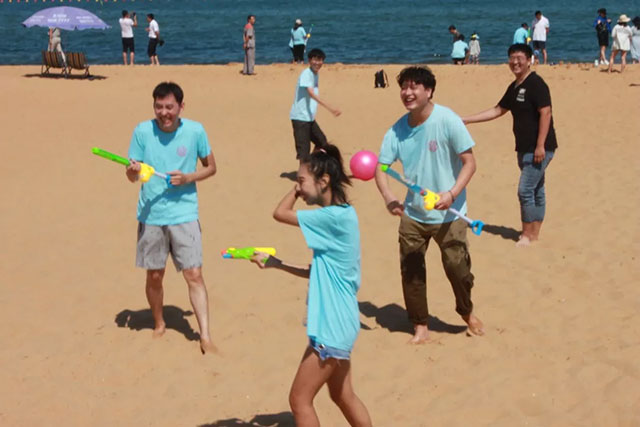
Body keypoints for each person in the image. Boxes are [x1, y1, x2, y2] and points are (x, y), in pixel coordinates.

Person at [250, 144, 372, 427]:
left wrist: (295, 191)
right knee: (342, 395)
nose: (299, 187)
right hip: (341, 323)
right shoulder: (344, 215)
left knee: (299, 400)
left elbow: (280, 213)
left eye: (302, 180)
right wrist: (277, 263)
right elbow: (318, 271)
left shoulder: (332, 218)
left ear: (324, 181)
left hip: (332, 327)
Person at [374, 66, 485, 344]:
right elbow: (381, 167)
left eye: (414, 87)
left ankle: (466, 311)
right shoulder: (397, 130)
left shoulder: (448, 120)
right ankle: (420, 325)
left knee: (458, 270)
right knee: (411, 271)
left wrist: (451, 193)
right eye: (404, 87)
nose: (407, 93)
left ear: (429, 91)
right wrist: (389, 197)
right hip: (413, 214)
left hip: (450, 214)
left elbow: (469, 163)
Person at [126, 82, 217, 354]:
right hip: (151, 214)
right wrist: (132, 171)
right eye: (159, 107)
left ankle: (205, 335)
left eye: (169, 107)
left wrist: (188, 178)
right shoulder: (142, 131)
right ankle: (159, 322)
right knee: (155, 275)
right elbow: (132, 176)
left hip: (185, 213)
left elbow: (211, 167)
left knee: (194, 274)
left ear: (181, 106)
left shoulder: (195, 131)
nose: (164, 112)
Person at [462, 44, 558, 247]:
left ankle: (526, 235)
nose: (515, 62)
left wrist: (540, 145)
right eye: (512, 58)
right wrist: (467, 120)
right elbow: (498, 110)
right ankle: (534, 233)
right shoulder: (514, 86)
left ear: (529, 60)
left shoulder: (536, 83)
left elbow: (546, 112)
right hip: (523, 147)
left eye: (520, 58)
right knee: (537, 189)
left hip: (539, 147)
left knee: (525, 190)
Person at [289, 48, 341, 162]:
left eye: (320, 60)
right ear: (309, 60)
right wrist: (330, 108)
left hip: (309, 118)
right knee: (304, 152)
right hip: (300, 118)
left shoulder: (315, 74)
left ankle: (312, 165)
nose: (317, 63)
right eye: (315, 60)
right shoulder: (306, 74)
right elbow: (311, 93)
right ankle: (304, 170)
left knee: (322, 142)